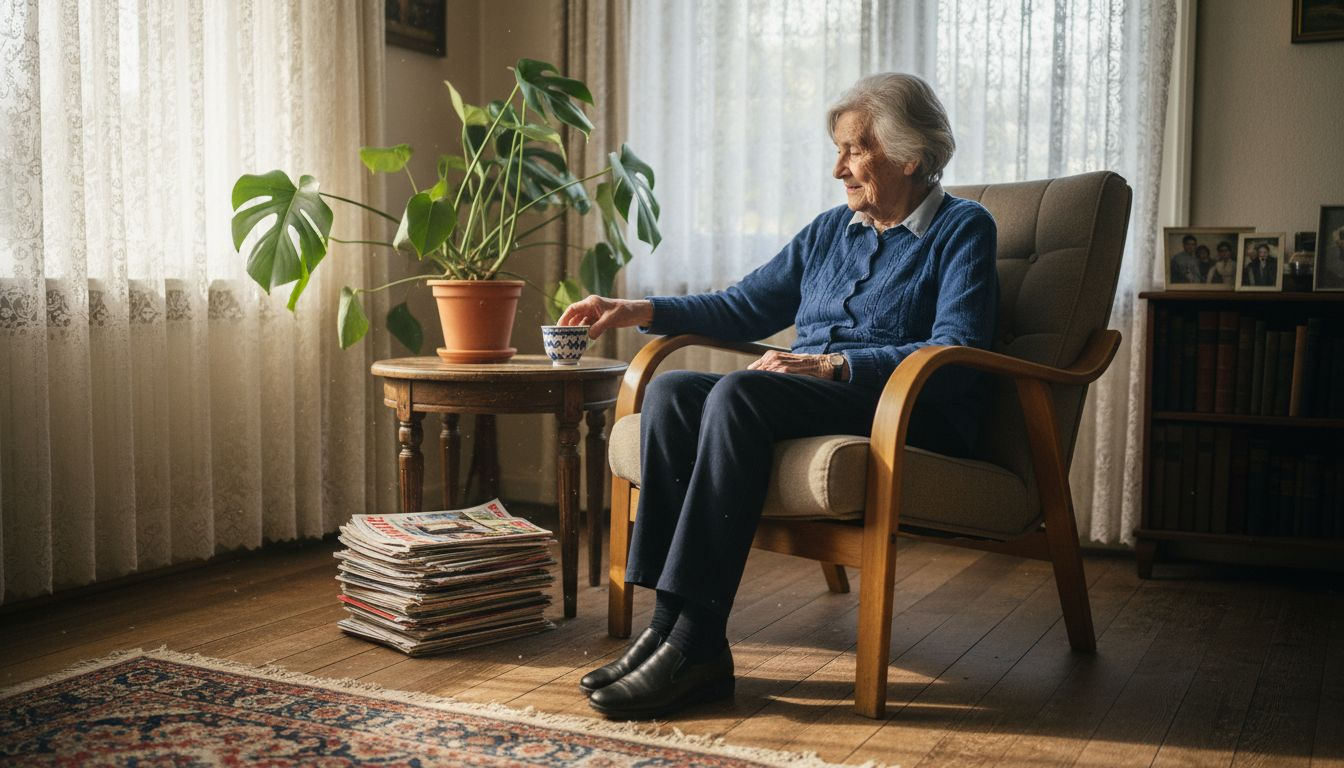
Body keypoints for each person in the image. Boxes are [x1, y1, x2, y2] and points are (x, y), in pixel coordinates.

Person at [557, 73, 998, 720]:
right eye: (838, 149)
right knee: (675, 391)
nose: (837, 168)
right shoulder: (830, 231)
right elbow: (743, 305)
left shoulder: (963, 229)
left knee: (740, 394)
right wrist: (634, 308)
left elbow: (954, 353)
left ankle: (695, 646)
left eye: (853, 149)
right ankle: (671, 627)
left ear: (910, 154)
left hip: (904, 412)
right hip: (814, 396)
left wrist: (831, 364)